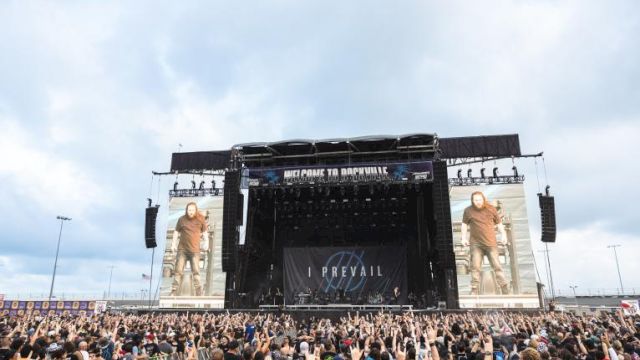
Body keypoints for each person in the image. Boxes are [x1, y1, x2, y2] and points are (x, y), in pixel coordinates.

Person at [460, 191, 510, 295]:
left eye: (479, 199)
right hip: (476, 244)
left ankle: (504, 288)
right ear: (472, 200)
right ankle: (474, 289)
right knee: (475, 267)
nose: (477, 202)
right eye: (475, 200)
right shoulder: (468, 211)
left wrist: (504, 235)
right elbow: (464, 225)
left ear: (483, 199)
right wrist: (463, 238)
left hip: (491, 243)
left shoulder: (491, 209)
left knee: (497, 266)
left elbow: (499, 224)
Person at [170, 202, 209, 296]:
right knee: (178, 271)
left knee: (196, 272)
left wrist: (206, 243)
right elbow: (176, 233)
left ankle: (199, 292)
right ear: (186, 210)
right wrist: (173, 244)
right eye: (189, 210)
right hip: (182, 250)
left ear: (195, 210)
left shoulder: (201, 219)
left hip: (195, 250)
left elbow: (204, 233)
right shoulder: (181, 220)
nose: (190, 212)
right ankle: (174, 291)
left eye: (192, 210)